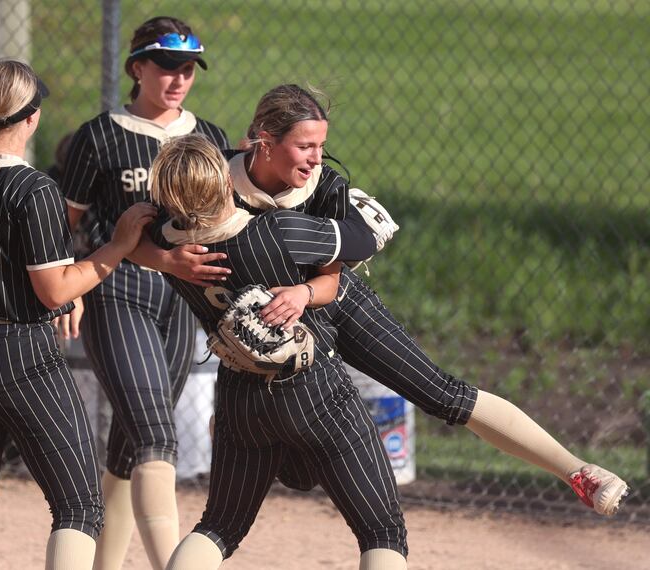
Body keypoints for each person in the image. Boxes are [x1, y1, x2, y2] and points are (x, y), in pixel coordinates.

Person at [222, 83, 629, 516]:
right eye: (305, 145)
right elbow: (164, 232)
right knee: (301, 474)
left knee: (442, 393)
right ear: (265, 139)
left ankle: (578, 472)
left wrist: (302, 272)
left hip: (332, 298)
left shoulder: (324, 185)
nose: (318, 157)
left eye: (321, 145)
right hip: (272, 321)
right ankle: (228, 431)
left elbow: (359, 242)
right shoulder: (217, 180)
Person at [0, 58, 156, 570]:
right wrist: (120, 247)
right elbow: (53, 291)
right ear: (31, 118)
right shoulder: (34, 189)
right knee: (80, 508)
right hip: (18, 354)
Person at [148, 133, 408, 570]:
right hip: (315, 390)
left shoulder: (170, 249)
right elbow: (351, 254)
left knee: (218, 528)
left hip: (238, 397)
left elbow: (143, 232)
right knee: (382, 532)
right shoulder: (277, 232)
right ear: (226, 183)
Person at [60, 16, 231, 570]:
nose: (178, 79)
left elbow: (225, 224)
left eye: (187, 69)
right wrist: (71, 287)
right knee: (157, 433)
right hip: (118, 291)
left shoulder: (209, 139)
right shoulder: (100, 136)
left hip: (184, 298)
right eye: (165, 67)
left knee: (131, 447)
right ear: (137, 68)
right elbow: (66, 223)